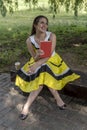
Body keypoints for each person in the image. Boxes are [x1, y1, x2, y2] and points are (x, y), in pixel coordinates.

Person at [15, 15, 80, 120]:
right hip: (39, 61)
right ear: (35, 25)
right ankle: (58, 100)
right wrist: (37, 55)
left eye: (46, 23)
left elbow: (48, 56)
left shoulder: (51, 36)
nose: (44, 25)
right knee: (41, 77)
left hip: (52, 60)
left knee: (43, 69)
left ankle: (26, 106)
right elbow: (34, 58)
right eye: (41, 22)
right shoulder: (29, 40)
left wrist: (37, 64)